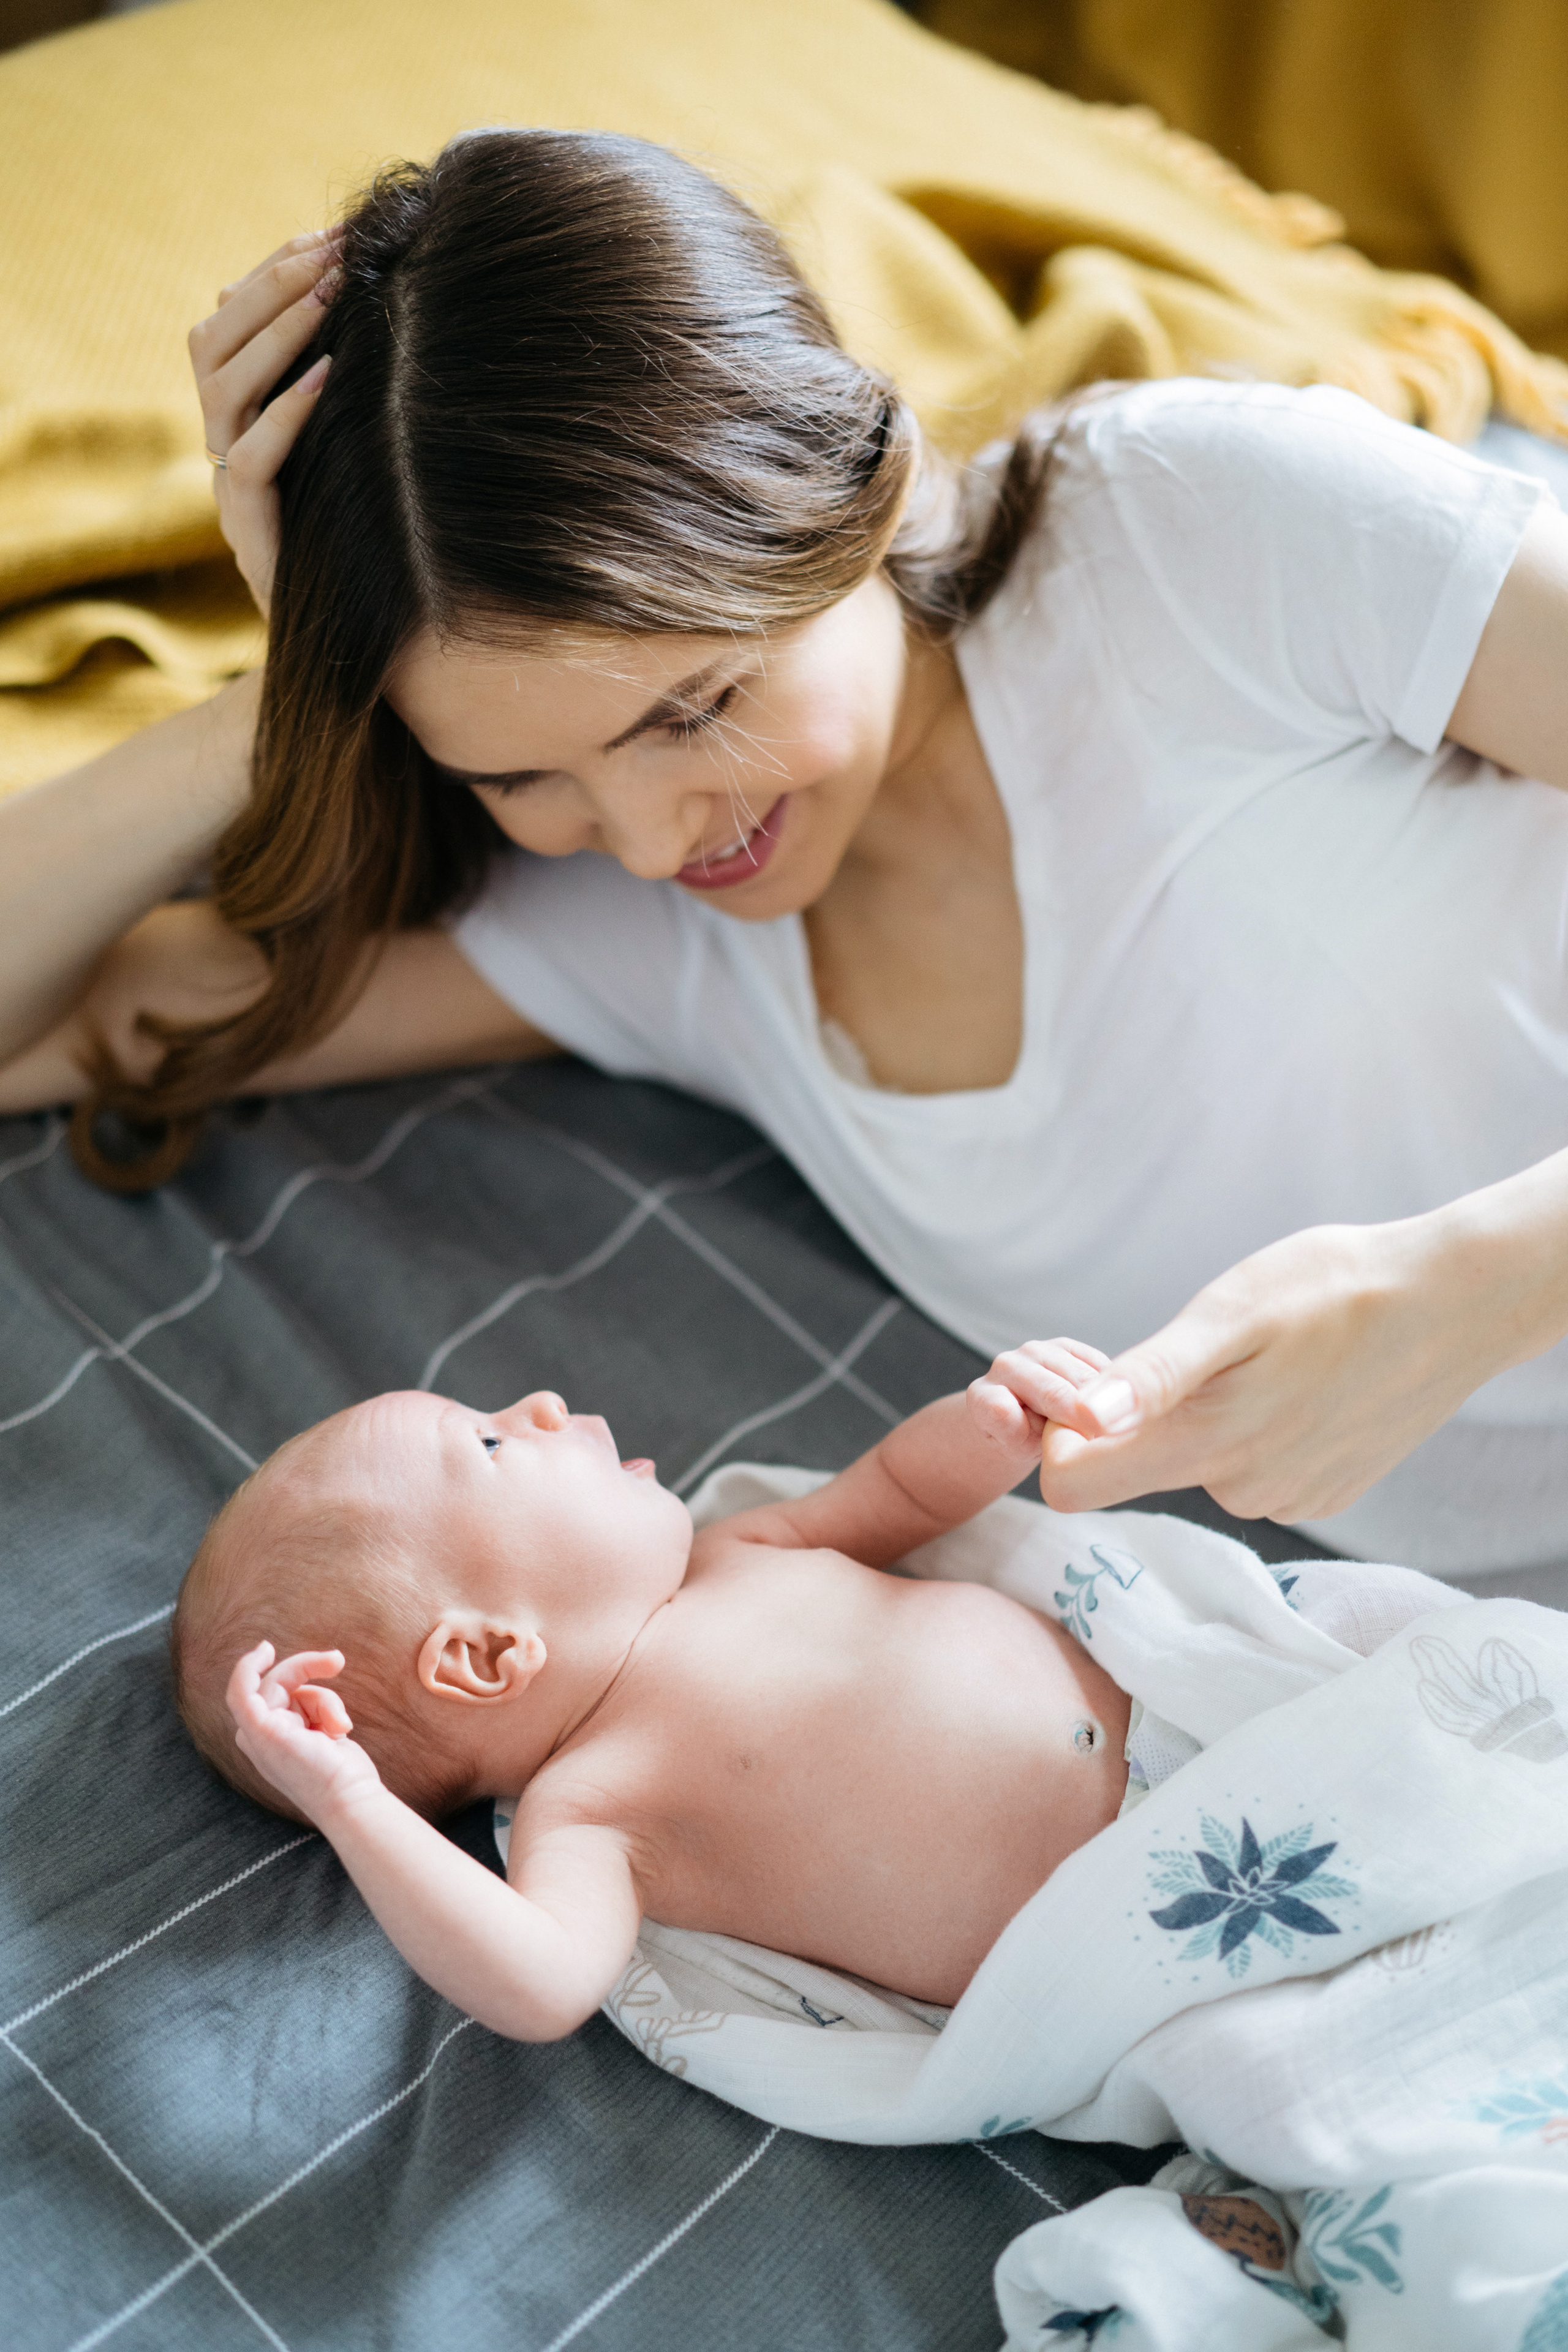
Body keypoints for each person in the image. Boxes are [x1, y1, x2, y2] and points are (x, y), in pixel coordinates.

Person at [4, 127, 1568, 1577]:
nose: (641, 834)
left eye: (693, 709)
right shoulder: (665, 938)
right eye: (520, 773)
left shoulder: (1184, 530)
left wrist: (1480, 1282)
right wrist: (290, 691)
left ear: (851, 488)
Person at [175, 1337, 1139, 2026]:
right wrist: (350, 1803)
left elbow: (901, 1491)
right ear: (487, 1657)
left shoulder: (742, 1549)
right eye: (492, 1444)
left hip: (1193, 1731)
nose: (542, 1403)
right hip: (1146, 1947)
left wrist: (987, 1428)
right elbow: (542, 1983)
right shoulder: (595, 1810)